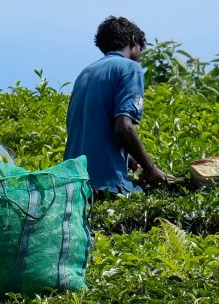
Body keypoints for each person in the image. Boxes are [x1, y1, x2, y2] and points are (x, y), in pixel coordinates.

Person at [64, 15, 175, 195]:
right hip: (106, 185)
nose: (140, 56)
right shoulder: (130, 68)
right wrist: (151, 169)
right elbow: (123, 128)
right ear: (133, 42)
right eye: (141, 48)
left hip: (73, 186)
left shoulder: (85, 73)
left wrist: (127, 157)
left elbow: (91, 132)